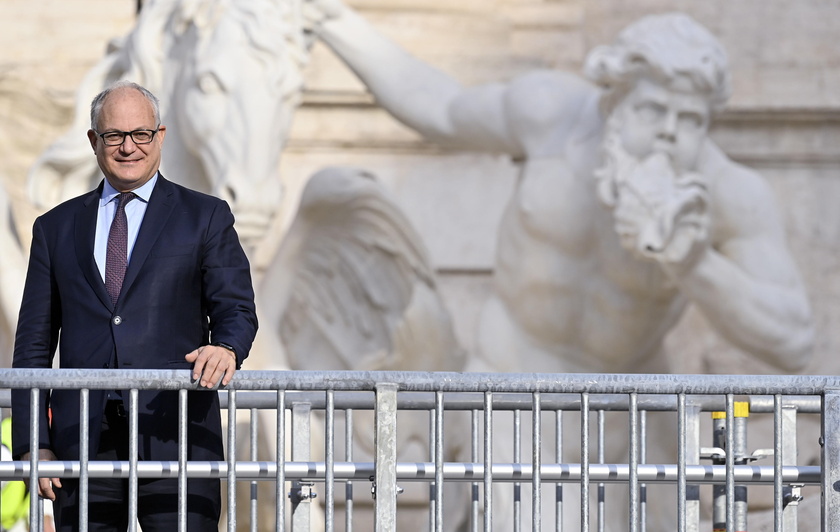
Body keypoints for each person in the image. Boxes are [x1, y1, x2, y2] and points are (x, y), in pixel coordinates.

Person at [303, 5, 814, 529]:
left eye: (690, 121)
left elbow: (793, 339)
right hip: (515, 391)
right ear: (613, 101)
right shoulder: (549, 114)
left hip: (632, 411)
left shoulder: (728, 194)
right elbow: (439, 107)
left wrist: (695, 263)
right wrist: (332, 21)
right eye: (653, 110)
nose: (668, 133)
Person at [11, 81, 258, 531]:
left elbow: (236, 308)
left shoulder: (205, 216)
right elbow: (32, 346)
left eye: (141, 134)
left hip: (177, 431)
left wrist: (227, 348)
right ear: (93, 141)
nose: (129, 147)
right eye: (114, 136)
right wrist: (33, 443)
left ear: (160, 136)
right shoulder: (55, 228)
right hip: (81, 443)